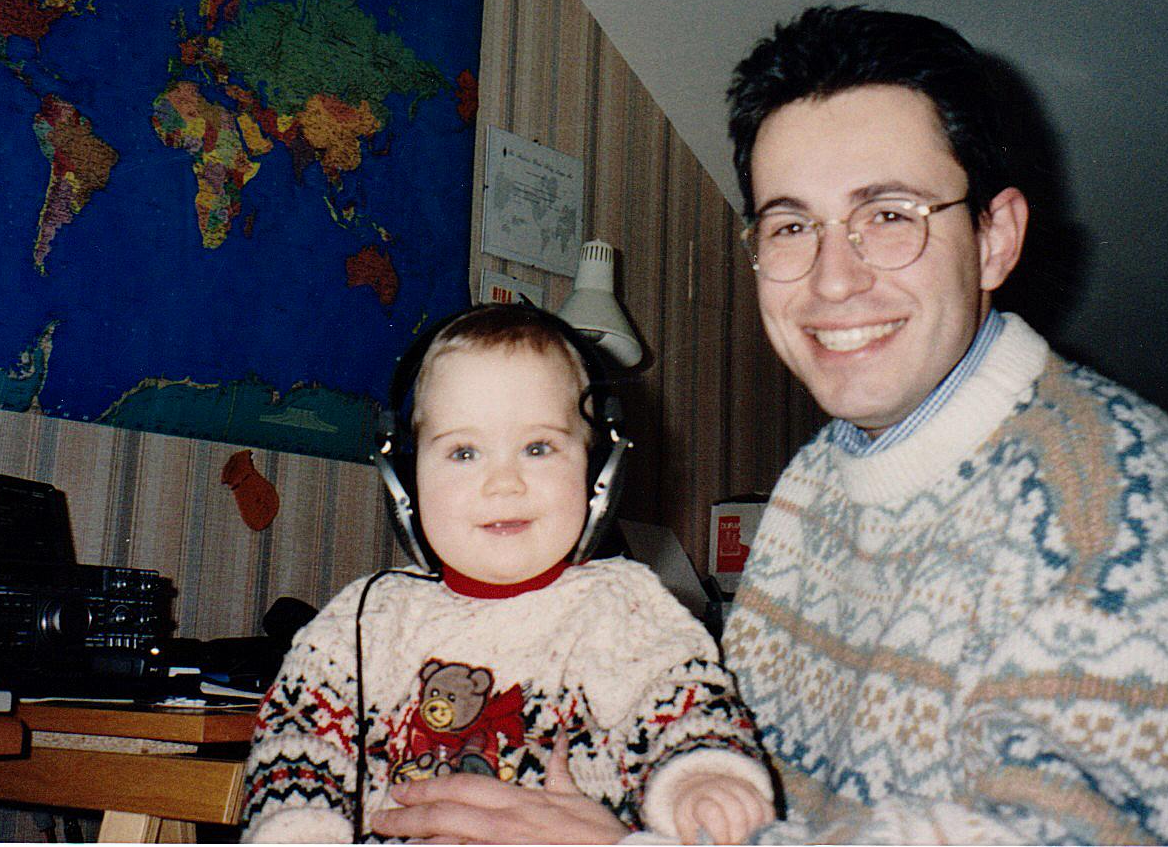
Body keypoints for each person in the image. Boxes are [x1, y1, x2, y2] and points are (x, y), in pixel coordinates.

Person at [374, 5, 1168, 846]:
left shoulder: (1111, 485)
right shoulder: (820, 476)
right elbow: (738, 771)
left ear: (993, 238)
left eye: (888, 216)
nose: (832, 279)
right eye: (791, 226)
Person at [241, 304, 774, 844]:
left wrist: (703, 781)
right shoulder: (366, 619)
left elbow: (689, 711)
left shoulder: (624, 607)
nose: (504, 483)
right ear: (404, 482)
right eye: (464, 452)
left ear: (599, 475)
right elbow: (296, 737)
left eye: (537, 448)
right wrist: (297, 828)